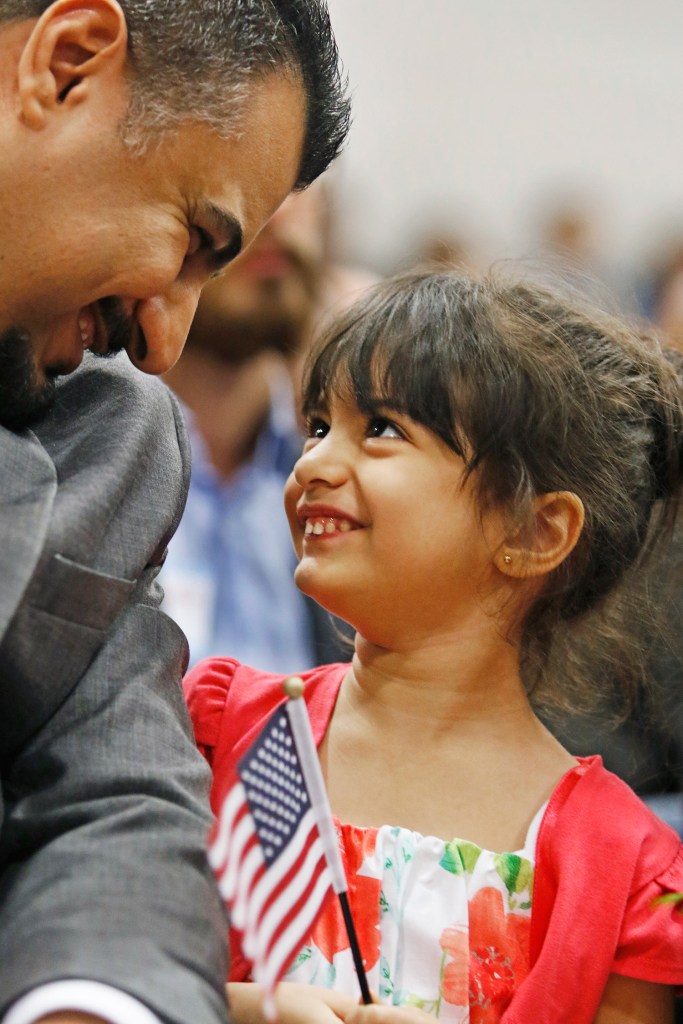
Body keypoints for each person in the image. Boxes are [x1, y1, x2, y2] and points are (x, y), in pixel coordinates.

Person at [184, 269, 683, 1024]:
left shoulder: (624, 874)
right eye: (318, 424)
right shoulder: (224, 733)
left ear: (532, 531)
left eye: (380, 429)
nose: (311, 463)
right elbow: (101, 968)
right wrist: (241, 1010)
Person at [0, 2, 350, 1024]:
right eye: (195, 240)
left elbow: (117, 808)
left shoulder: (102, 446)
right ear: (68, 66)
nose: (162, 341)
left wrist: (93, 1005)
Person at [161, 184, 374, 671]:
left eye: (302, 185)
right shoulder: (72, 452)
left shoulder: (351, 476)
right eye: (245, 178)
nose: (278, 217)